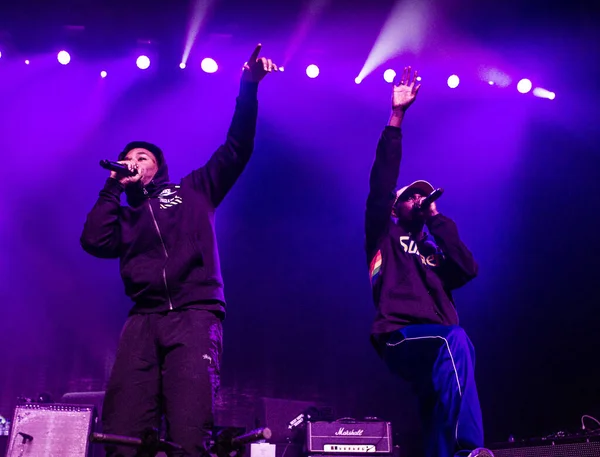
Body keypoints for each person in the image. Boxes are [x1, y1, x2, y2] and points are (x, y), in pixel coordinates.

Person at [80, 44, 277, 457]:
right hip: (143, 320)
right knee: (124, 431)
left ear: (157, 166)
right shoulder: (126, 217)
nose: (132, 161)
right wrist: (113, 186)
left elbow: (236, 149)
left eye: (142, 157)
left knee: (189, 430)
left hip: (193, 314)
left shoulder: (186, 193)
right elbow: (95, 241)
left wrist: (248, 89)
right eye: (126, 157)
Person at [365, 67, 494, 457]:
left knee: (438, 413)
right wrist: (397, 116)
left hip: (434, 353)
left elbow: (467, 268)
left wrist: (436, 217)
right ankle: (470, 450)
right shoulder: (383, 233)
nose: (418, 199)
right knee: (455, 339)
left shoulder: (434, 253)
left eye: (423, 196)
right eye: (411, 197)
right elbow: (382, 181)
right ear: (395, 207)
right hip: (400, 335)